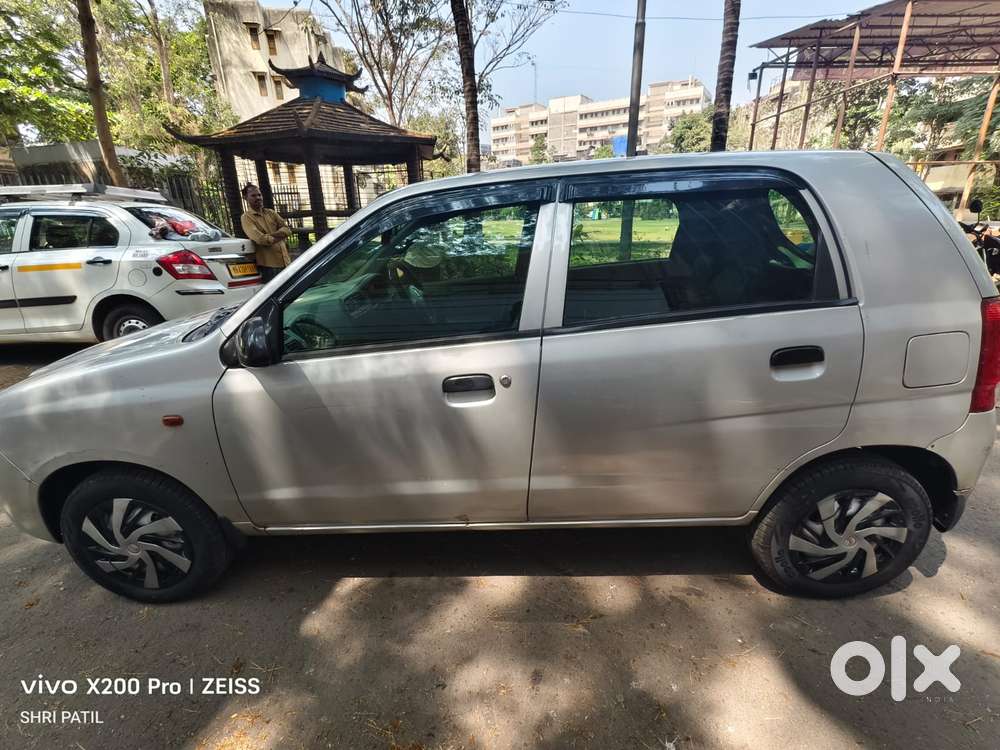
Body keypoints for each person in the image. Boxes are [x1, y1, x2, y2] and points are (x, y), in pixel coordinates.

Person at [240, 183, 292, 283]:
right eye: (253, 195)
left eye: (259, 195)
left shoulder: (271, 213)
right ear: (245, 198)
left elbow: (288, 229)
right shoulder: (246, 217)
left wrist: (270, 236)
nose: (258, 198)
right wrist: (280, 235)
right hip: (269, 267)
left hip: (286, 262)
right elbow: (260, 239)